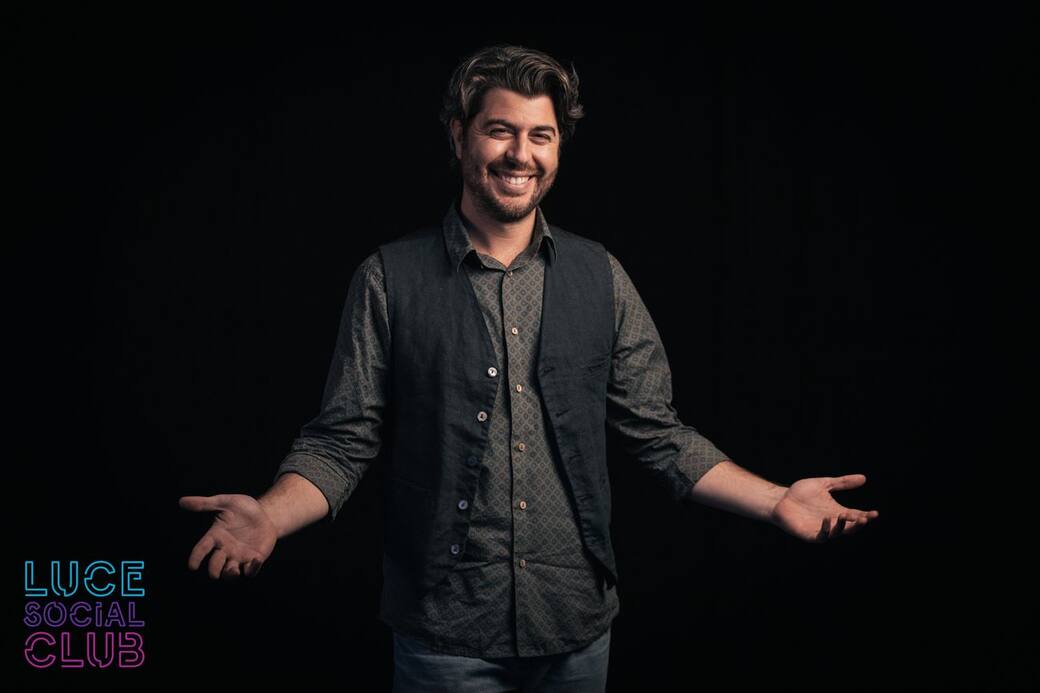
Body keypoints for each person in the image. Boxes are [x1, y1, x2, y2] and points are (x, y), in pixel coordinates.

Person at [179, 44, 880, 692]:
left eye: (540, 135)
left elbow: (659, 434)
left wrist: (776, 500)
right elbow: (343, 440)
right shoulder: (387, 279)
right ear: (459, 136)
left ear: (558, 147)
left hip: (577, 630)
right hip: (444, 637)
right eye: (500, 131)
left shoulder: (600, 276)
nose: (521, 154)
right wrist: (270, 515)